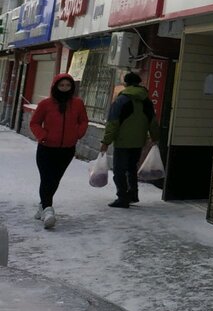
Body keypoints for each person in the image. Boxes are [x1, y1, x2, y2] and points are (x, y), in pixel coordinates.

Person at [29, 73, 89, 229]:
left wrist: (77, 133)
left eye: (67, 86)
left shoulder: (77, 104)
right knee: (47, 178)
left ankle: (43, 206)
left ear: (72, 87)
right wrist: (43, 136)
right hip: (46, 148)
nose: (64, 88)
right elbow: (35, 123)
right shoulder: (45, 104)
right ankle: (48, 210)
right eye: (61, 85)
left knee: (55, 179)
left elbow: (83, 121)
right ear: (55, 86)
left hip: (67, 149)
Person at [100, 71, 159, 209]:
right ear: (139, 83)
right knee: (132, 168)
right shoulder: (146, 101)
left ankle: (122, 197)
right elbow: (153, 122)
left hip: (122, 141)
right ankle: (133, 194)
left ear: (125, 83)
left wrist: (106, 142)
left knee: (119, 170)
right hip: (139, 141)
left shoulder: (121, 101)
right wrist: (155, 138)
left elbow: (113, 123)